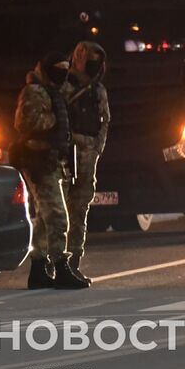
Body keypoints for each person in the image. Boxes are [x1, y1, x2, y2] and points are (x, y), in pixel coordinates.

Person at [14, 56, 83, 289]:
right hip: (39, 163)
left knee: (43, 220)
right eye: (58, 70)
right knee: (56, 216)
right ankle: (60, 267)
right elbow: (25, 123)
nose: (62, 74)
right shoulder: (34, 91)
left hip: (52, 161)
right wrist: (55, 118)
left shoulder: (54, 91)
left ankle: (39, 269)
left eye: (66, 70)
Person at [58, 42, 110, 287]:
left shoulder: (97, 90)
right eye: (80, 55)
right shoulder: (62, 84)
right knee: (60, 208)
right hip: (66, 152)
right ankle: (54, 261)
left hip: (87, 152)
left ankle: (73, 260)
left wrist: (96, 149)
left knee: (80, 208)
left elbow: (104, 121)